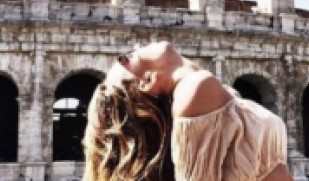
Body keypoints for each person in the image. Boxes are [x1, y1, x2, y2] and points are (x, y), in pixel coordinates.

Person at [83, 41, 293, 181]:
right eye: (125, 58)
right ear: (148, 81)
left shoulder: (210, 91)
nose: (137, 45)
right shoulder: (196, 90)